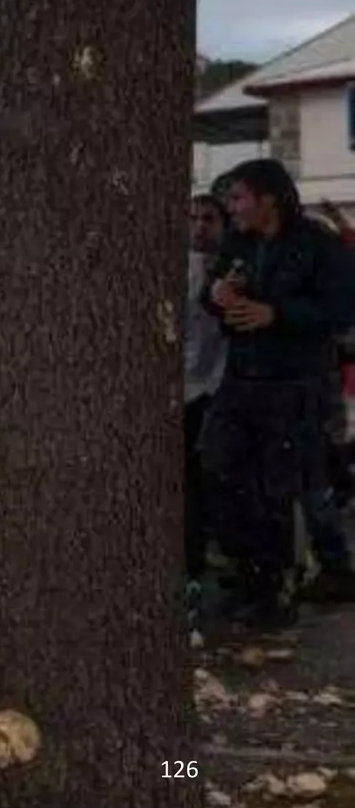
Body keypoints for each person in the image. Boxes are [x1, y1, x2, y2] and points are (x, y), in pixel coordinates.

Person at [201, 160, 355, 627]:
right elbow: (211, 298)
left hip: (296, 385)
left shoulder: (318, 245)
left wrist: (276, 314)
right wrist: (217, 293)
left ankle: (282, 590)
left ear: (268, 198)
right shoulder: (239, 243)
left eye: (239, 198)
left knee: (285, 489)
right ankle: (250, 579)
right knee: (221, 472)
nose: (233, 208)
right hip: (242, 380)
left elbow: (340, 312)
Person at [186, 194, 228, 594]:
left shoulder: (231, 267)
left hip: (215, 388)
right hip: (183, 390)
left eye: (208, 219)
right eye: (193, 218)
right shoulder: (177, 265)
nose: (200, 226)